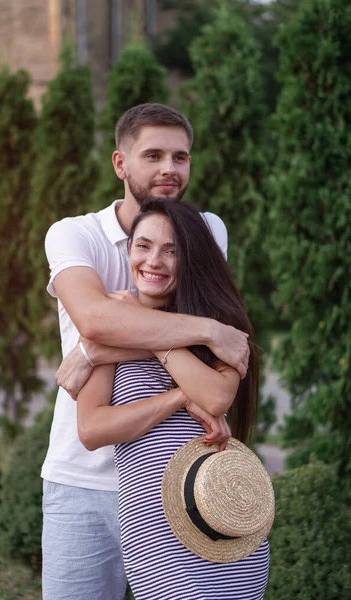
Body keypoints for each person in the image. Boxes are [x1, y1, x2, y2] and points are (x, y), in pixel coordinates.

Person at [41, 103, 250, 600]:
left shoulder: (205, 232)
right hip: (83, 484)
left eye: (180, 157)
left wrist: (96, 351)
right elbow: (95, 318)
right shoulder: (75, 234)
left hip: (180, 481)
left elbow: (109, 332)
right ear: (120, 163)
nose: (168, 169)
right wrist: (207, 332)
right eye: (153, 155)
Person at [77, 200, 270, 600]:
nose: (155, 261)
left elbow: (215, 397)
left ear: (190, 258)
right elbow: (92, 429)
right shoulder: (111, 325)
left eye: (171, 250)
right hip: (154, 534)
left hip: (223, 523)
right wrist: (181, 396)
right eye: (143, 246)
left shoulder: (220, 328)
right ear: (129, 251)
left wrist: (157, 344)